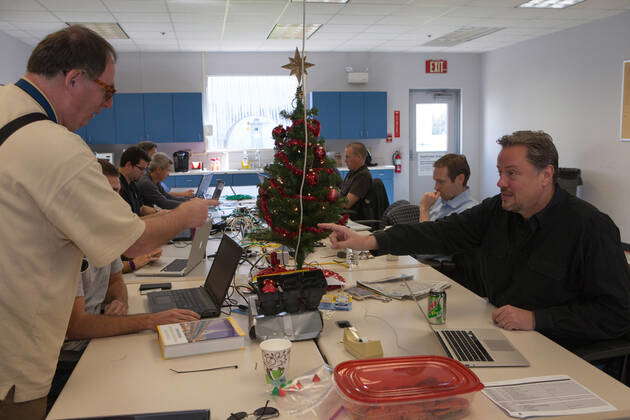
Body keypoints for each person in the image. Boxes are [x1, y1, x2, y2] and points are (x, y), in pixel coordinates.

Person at [0, 25, 211, 419]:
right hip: (14, 356)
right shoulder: (53, 144)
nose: (108, 104)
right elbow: (129, 243)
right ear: (74, 79)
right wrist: (186, 215)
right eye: (107, 91)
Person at [320, 131, 630, 350]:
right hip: (499, 332)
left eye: (512, 174)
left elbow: (616, 314)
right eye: (499, 172)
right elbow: (439, 232)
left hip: (558, 349)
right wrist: (367, 241)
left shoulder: (590, 228)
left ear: (546, 175)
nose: (500, 182)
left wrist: (537, 319)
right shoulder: (498, 211)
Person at [46, 160, 200, 411]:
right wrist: (149, 320)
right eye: (107, 193)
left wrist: (119, 301)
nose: (116, 201)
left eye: (117, 192)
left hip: (93, 339)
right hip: (68, 356)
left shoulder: (101, 231)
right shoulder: (64, 244)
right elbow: (76, 326)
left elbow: (116, 278)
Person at [419, 153, 477, 222]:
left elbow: (427, 233)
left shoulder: (470, 212)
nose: (436, 187)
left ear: (460, 179)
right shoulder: (442, 200)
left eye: (441, 182)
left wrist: (424, 209)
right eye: (436, 181)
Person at [136, 152, 206, 210]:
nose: (168, 174)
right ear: (158, 170)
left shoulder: (153, 179)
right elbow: (164, 203)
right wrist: (191, 204)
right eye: (167, 170)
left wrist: (190, 201)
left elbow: (167, 196)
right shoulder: (147, 183)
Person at [118, 146, 159, 216]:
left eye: (145, 169)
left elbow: (141, 208)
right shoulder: (117, 186)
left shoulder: (133, 184)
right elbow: (127, 220)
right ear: (129, 165)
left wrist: (157, 212)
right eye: (141, 169)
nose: (143, 173)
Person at [340, 142, 372, 216]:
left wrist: (330, 202)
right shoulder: (352, 173)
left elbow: (346, 204)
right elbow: (342, 193)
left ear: (358, 157)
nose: (345, 160)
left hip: (353, 218)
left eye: (347, 157)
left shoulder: (363, 176)